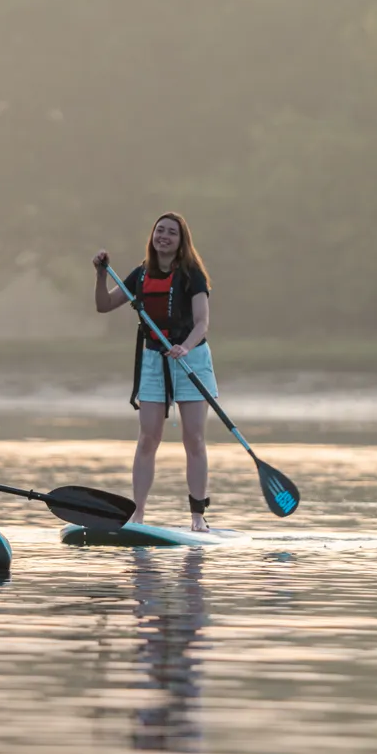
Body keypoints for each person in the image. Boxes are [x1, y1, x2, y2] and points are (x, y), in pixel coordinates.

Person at [93, 212, 215, 532]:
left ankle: (198, 517)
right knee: (148, 438)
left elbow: (202, 323)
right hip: (154, 360)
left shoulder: (192, 275)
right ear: (152, 236)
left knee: (194, 438)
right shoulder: (141, 274)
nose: (164, 236)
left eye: (171, 233)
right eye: (159, 230)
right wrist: (100, 274)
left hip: (192, 358)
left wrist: (185, 347)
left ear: (181, 240)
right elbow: (104, 305)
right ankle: (138, 514)